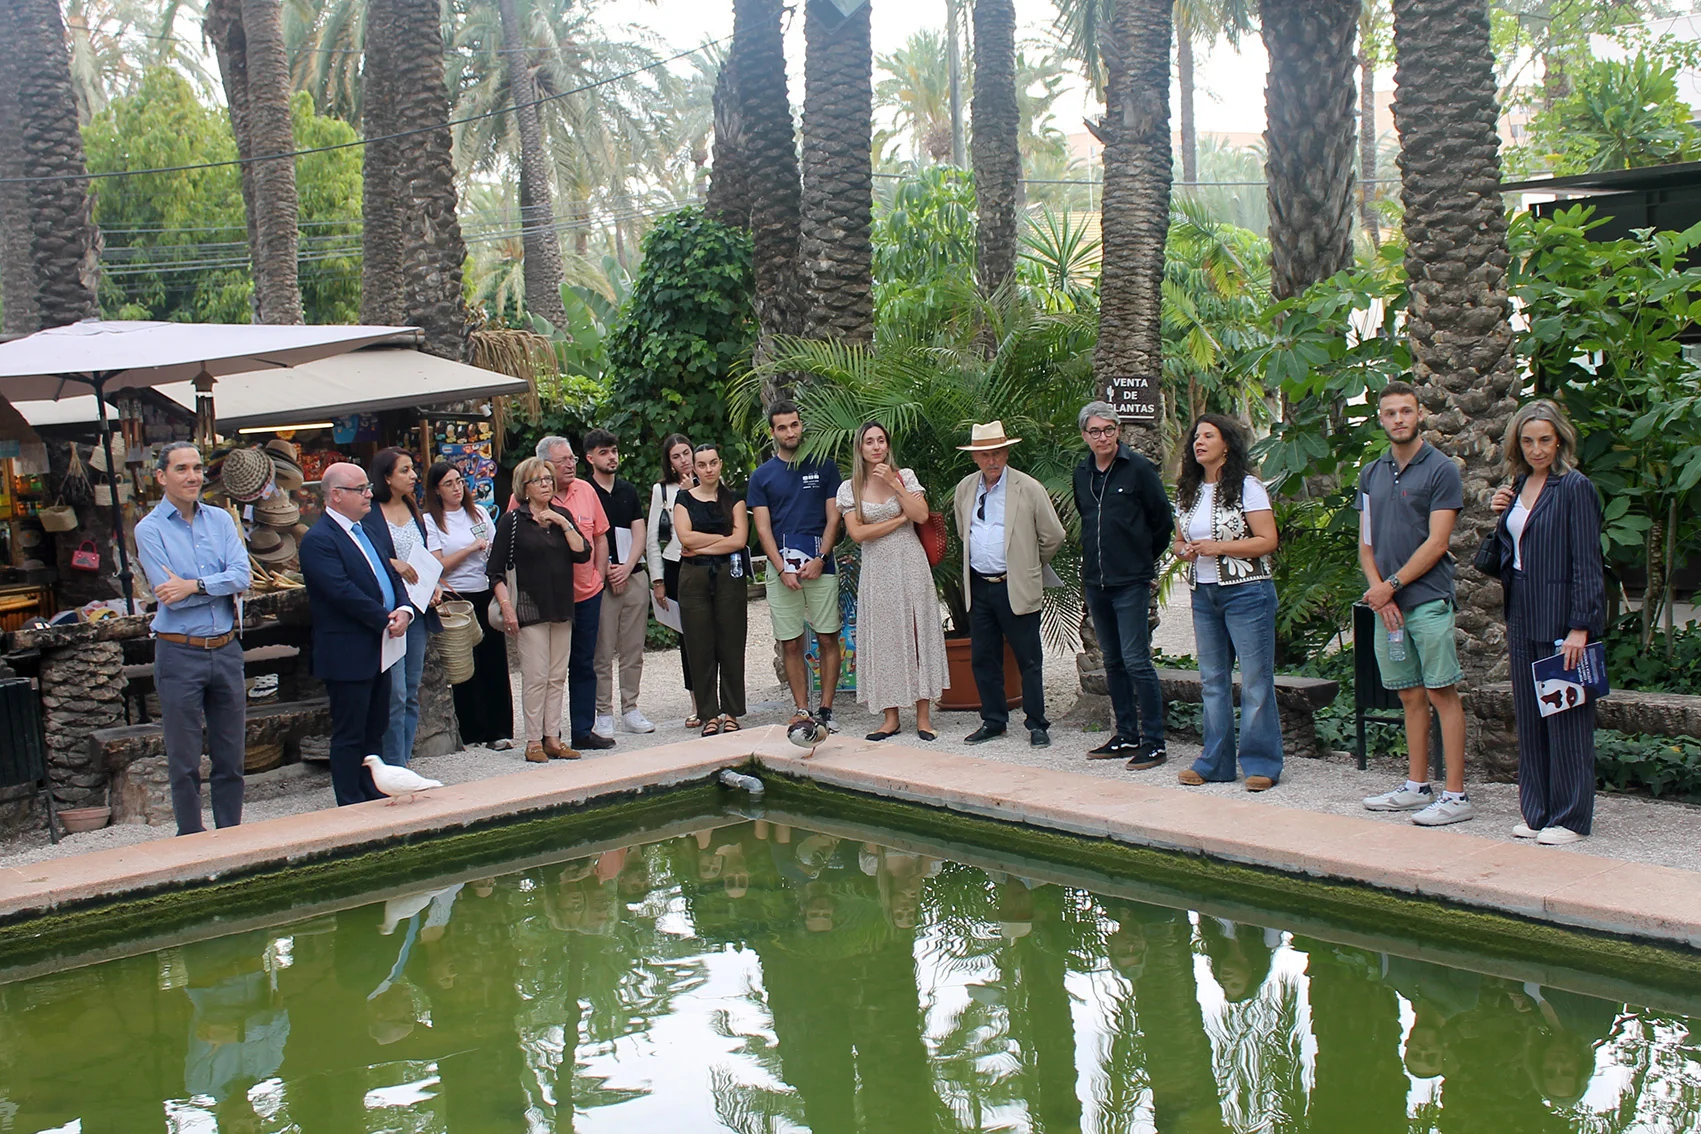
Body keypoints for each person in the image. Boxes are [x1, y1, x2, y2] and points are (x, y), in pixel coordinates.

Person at [1488, 399, 1605, 845]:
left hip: (1562, 618)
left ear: (1560, 440)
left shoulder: (1574, 487)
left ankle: (1571, 818)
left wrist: (1581, 626)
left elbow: (1587, 563)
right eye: (1528, 440)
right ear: (1518, 443)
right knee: (1532, 716)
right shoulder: (1518, 485)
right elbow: (1507, 555)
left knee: (1568, 716)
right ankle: (1537, 812)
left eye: (1545, 440)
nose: (1537, 449)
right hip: (1522, 613)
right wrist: (1502, 514)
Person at [1356, 380, 1473, 826]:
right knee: (1409, 694)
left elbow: (1438, 541)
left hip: (1427, 600)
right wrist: (1380, 593)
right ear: (1381, 419)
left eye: (1406, 411)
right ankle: (1416, 786)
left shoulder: (1441, 469)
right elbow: (1366, 545)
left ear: (1419, 414)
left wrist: (1393, 584)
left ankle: (1456, 795)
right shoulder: (1371, 472)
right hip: (1388, 606)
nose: (1399, 419)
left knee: (1442, 691)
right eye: (1390, 413)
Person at [134, 441, 251, 836]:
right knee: (184, 760)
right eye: (182, 469)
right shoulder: (149, 530)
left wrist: (195, 584)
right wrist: (208, 587)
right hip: (179, 652)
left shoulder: (220, 520)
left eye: (197, 468)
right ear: (161, 476)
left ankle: (231, 836)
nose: (193, 476)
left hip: (226, 647)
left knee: (231, 756)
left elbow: (243, 576)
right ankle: (191, 839)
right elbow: (170, 596)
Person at [1172, 414, 1282, 790]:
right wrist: (1183, 551)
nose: (1198, 442)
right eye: (1196, 437)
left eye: (1208, 436)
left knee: (1254, 680)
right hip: (1203, 593)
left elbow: (1267, 540)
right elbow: (1177, 540)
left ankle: (1261, 764)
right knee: (1213, 681)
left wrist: (1218, 547)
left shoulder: (1248, 487)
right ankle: (1215, 762)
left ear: (1227, 445)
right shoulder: (1187, 490)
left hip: (1247, 592)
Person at [298, 462, 415, 806]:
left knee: (375, 727)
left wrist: (405, 609)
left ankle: (373, 790)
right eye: (360, 489)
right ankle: (350, 800)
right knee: (350, 732)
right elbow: (340, 590)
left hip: (381, 645)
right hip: (348, 650)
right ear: (336, 496)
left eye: (367, 487)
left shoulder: (367, 531)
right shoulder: (319, 540)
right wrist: (383, 617)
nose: (369, 494)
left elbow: (393, 574)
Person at [1072, 401, 1174, 768]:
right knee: (1112, 660)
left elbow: (1162, 521)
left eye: (1109, 429)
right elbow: (1087, 519)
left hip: (1131, 581)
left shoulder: (1139, 469)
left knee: (1137, 660)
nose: (1103, 437)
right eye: (1095, 431)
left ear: (1119, 431)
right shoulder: (1082, 472)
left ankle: (1154, 740)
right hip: (1097, 580)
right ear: (1085, 435)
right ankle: (1125, 735)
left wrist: (1141, 559)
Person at [952, 420, 1065, 747]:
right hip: (980, 586)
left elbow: (1053, 535)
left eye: (998, 452)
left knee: (1028, 658)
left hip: (1014, 584)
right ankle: (993, 720)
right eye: (985, 454)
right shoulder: (965, 489)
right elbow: (964, 531)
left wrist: (1028, 562)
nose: (992, 460)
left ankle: (1037, 723)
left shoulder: (1028, 488)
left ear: (1006, 452)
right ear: (974, 457)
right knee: (983, 658)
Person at [836, 422, 949, 741]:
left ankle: (924, 716)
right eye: (869, 442)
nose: (876, 446)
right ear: (860, 448)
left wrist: (896, 486)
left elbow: (923, 515)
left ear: (887, 445)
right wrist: (900, 519)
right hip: (877, 568)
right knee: (884, 636)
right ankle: (890, 717)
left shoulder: (906, 476)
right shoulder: (850, 488)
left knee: (916, 631)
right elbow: (858, 533)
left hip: (910, 562)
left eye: (881, 440)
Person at [748, 400, 844, 737]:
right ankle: (802, 709)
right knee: (790, 642)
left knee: (828, 637)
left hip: (821, 566)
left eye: (794, 425)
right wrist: (781, 568)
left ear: (802, 426)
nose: (790, 432)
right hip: (782, 572)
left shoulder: (826, 467)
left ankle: (827, 710)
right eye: (782, 427)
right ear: (772, 432)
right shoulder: (761, 476)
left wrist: (821, 558)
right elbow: (762, 529)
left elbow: (835, 516)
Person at [490, 456, 592, 762]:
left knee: (557, 675)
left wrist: (562, 522)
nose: (546, 484)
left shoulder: (562, 515)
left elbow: (583, 553)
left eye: (548, 479)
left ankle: (553, 737)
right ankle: (533, 740)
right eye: (539, 480)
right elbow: (494, 570)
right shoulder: (512, 520)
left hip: (561, 604)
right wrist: (507, 607)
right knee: (535, 675)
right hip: (529, 606)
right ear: (525, 487)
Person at [520, 437, 612, 751]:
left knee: (584, 662)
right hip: (545, 599)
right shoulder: (523, 502)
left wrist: (598, 575)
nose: (570, 465)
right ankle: (547, 735)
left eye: (572, 459)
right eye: (562, 461)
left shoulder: (586, 491)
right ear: (545, 465)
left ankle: (583, 730)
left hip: (587, 592)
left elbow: (599, 536)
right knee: (546, 669)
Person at [422, 460, 512, 747]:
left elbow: (496, 553)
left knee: (493, 660)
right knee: (463, 664)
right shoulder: (431, 521)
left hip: (483, 589)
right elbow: (437, 565)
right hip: (455, 595)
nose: (456, 488)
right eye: (449, 484)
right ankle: (472, 730)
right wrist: (470, 549)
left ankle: (500, 730)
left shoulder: (479, 513)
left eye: (459, 481)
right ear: (437, 490)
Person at [363, 448, 440, 767]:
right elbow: (365, 554)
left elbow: (423, 555)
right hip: (392, 610)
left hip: (419, 607)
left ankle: (403, 762)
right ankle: (391, 764)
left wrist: (434, 583)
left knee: (411, 690)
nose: (412, 476)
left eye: (412, 469)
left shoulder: (413, 509)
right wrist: (393, 563)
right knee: (393, 693)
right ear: (387, 477)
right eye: (405, 470)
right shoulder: (370, 512)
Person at [674, 443, 751, 735]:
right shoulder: (684, 499)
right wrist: (722, 538)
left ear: (721, 464)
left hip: (729, 576)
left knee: (731, 643)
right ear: (694, 467)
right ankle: (709, 713)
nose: (708, 469)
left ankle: (731, 711)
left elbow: (739, 540)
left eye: (713, 463)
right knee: (699, 645)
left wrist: (703, 543)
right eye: (702, 464)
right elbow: (684, 537)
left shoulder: (734, 499)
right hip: (693, 578)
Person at [584, 428, 655, 738]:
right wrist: (607, 570)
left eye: (613, 450)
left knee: (633, 648)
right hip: (600, 580)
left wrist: (627, 567)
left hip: (633, 574)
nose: (611, 456)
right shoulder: (584, 491)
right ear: (590, 458)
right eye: (604, 452)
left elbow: (639, 532)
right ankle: (603, 712)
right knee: (602, 650)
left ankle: (631, 707)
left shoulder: (627, 490)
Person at [647, 433, 698, 727]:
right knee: (687, 637)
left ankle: (719, 701)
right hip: (675, 564)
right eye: (676, 456)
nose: (684, 460)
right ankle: (695, 701)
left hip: (706, 561)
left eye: (686, 453)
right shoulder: (662, 490)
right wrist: (657, 580)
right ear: (669, 461)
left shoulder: (709, 479)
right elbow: (654, 538)